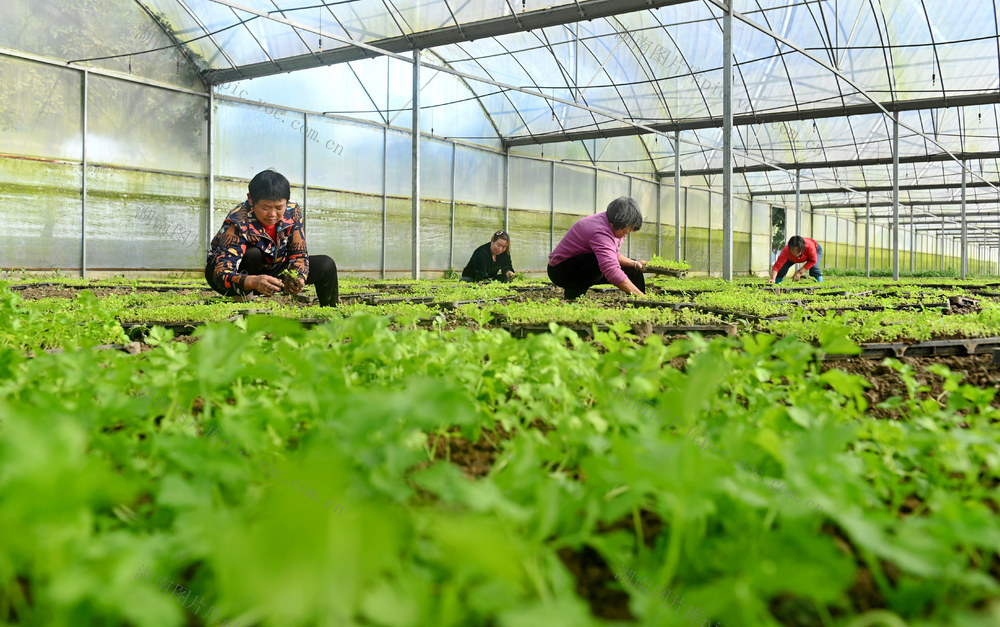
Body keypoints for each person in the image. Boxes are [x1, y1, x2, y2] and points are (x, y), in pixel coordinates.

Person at [205, 169, 339, 305]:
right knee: (253, 254)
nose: (273, 214)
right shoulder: (237, 221)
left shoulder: (293, 211)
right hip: (235, 273)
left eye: (279, 207)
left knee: (326, 265)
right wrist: (253, 281)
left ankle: (330, 314)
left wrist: (299, 277)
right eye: (266, 207)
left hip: (272, 268)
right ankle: (244, 296)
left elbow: (299, 253)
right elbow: (221, 274)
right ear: (251, 199)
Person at [547, 196, 646, 300]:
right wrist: (640, 295)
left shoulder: (611, 225)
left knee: (633, 269)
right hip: (561, 271)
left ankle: (641, 306)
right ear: (619, 221)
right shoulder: (599, 231)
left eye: (631, 228)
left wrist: (635, 264)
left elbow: (610, 254)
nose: (628, 232)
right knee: (595, 261)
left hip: (579, 265)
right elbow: (610, 269)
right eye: (628, 228)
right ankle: (573, 299)